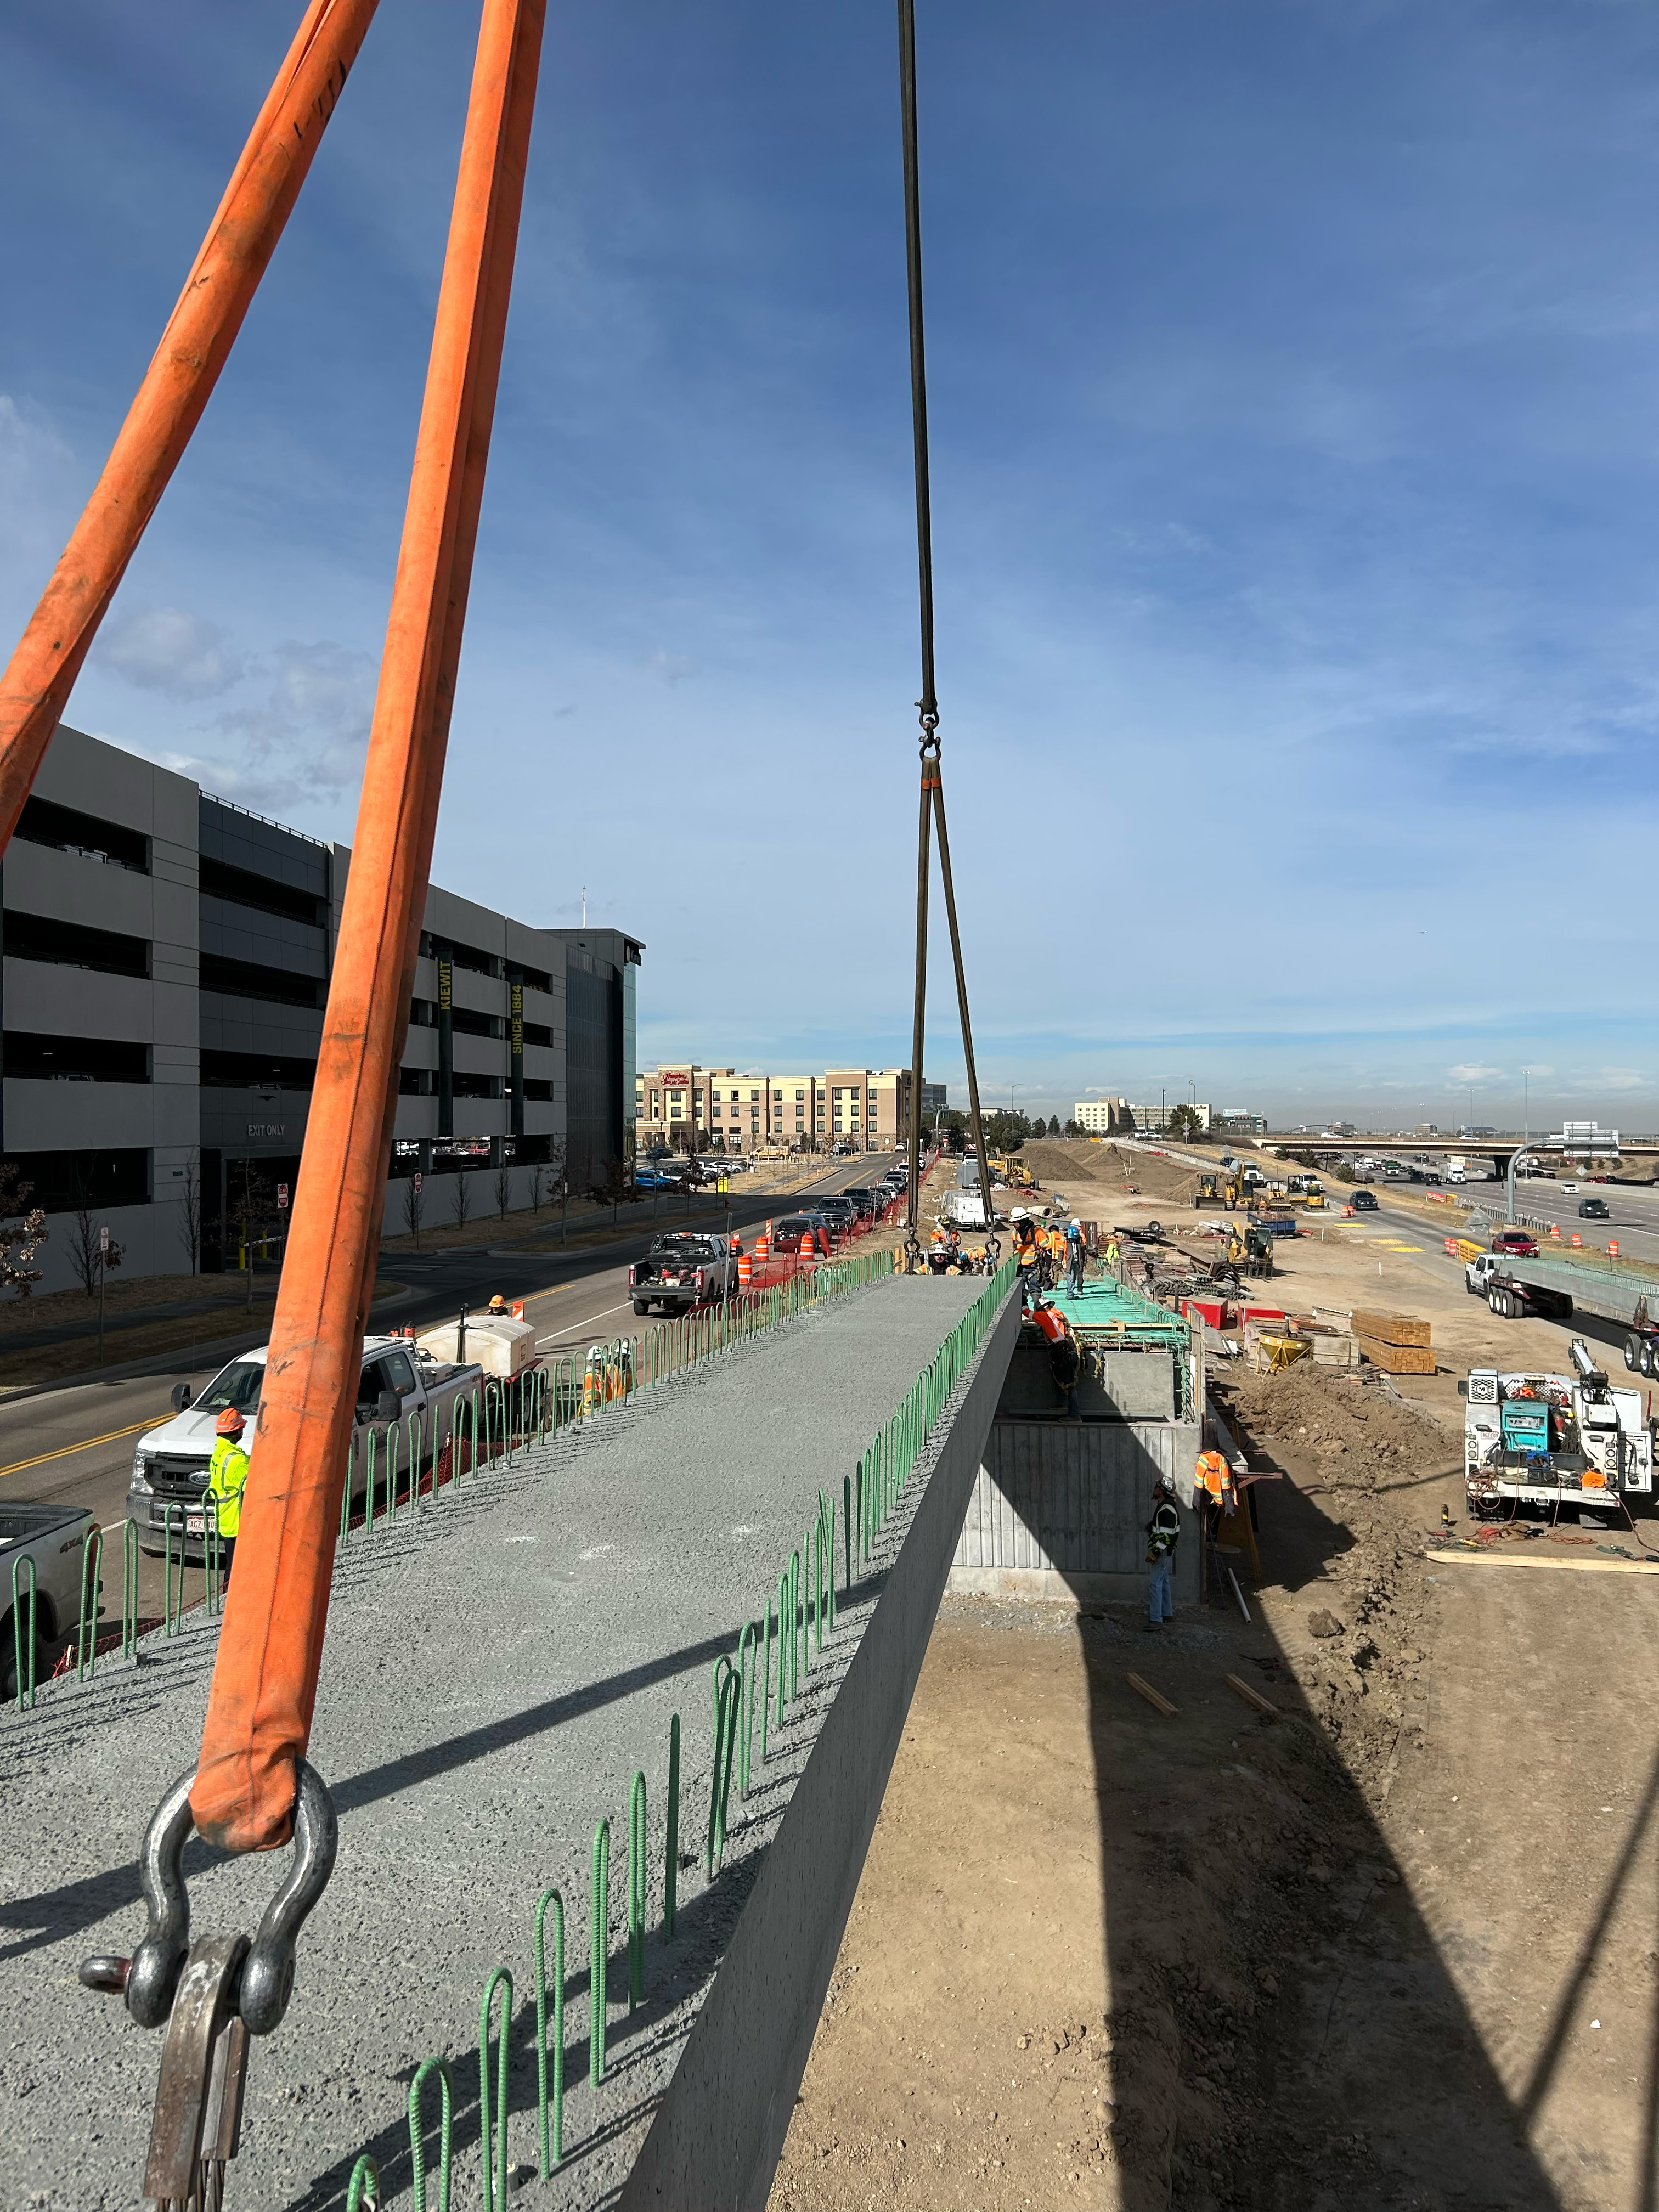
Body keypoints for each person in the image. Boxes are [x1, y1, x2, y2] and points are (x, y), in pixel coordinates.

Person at [207, 1405, 249, 1587]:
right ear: (236, 1431)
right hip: (238, 1519)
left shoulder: (220, 1453)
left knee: (231, 1566)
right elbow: (257, 1483)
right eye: (241, 1428)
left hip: (226, 1517)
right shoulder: (236, 1460)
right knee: (238, 1568)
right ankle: (228, 1603)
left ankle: (225, 1601)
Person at [1030, 1299, 1082, 1415]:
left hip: (1062, 1353)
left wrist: (1023, 1297)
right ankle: (1061, 1403)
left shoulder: (1047, 1316)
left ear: (1043, 1309)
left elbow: (1026, 1312)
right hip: (1068, 1351)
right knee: (1060, 1378)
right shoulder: (1058, 1314)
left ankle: (1075, 1415)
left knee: (1070, 1385)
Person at [1145, 1473, 1181, 1629]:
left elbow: (1165, 1538)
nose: (1154, 1489)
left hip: (1162, 1553)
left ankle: (1156, 1620)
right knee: (1164, 1582)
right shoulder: (1165, 1508)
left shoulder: (1166, 1510)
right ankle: (1167, 1613)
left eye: (1156, 1487)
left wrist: (1154, 1552)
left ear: (1161, 1491)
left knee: (1155, 1584)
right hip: (1165, 1553)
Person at [1011, 1208, 1040, 1306]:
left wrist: (1047, 1266)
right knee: (1020, 1290)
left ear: (1022, 1221)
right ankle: (1023, 1309)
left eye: (1015, 1222)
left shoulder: (1037, 1232)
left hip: (1033, 1267)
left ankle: (1038, 1310)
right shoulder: (1015, 1233)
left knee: (1035, 1289)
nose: (1013, 1224)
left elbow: (1046, 1248)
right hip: (1019, 1268)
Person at [1065, 1215, 1085, 1298]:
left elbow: (1083, 1250)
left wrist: (1083, 1260)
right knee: (1070, 1278)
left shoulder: (1079, 1239)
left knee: (1076, 1277)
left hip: (1077, 1261)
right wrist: (1060, 1261)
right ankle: (1070, 1294)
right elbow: (1062, 1251)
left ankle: (1078, 1290)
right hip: (1069, 1262)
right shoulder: (1066, 1241)